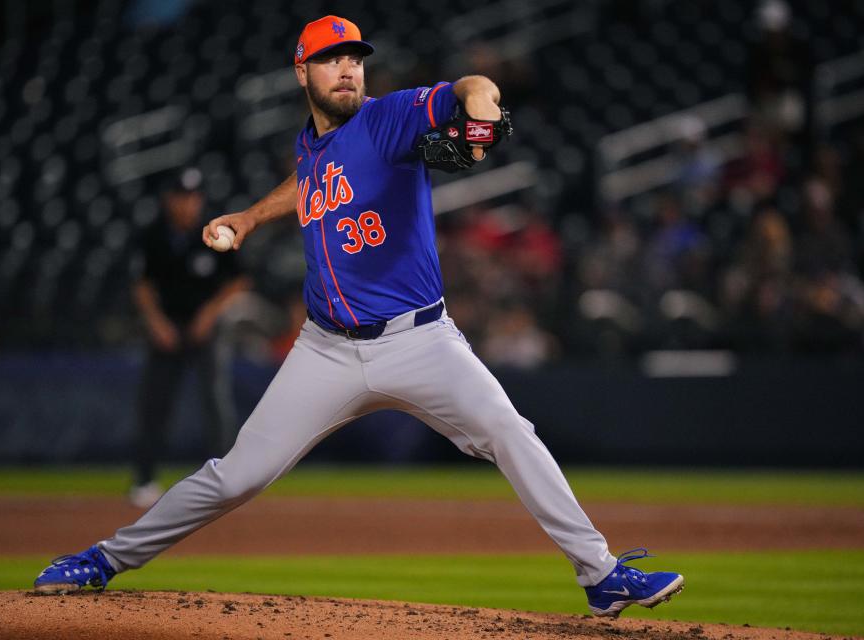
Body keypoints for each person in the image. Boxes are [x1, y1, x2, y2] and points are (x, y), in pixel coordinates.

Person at [33, 15, 684, 617]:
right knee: (235, 477)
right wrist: (251, 217)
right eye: (330, 59)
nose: (347, 68)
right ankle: (103, 559)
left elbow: (471, 88)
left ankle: (601, 576)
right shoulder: (311, 146)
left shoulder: (388, 119)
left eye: (354, 58)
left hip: (420, 340)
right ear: (302, 72)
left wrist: (482, 107)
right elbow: (306, 178)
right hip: (325, 352)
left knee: (510, 431)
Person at [129, 168, 250, 507]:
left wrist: (209, 314)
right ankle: (143, 479)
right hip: (167, 327)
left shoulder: (212, 232)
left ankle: (227, 482)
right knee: (154, 404)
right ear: (169, 199)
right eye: (181, 197)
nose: (187, 204)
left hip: (207, 328)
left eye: (193, 197)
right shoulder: (153, 235)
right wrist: (156, 323)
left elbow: (238, 281)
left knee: (215, 401)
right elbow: (142, 285)